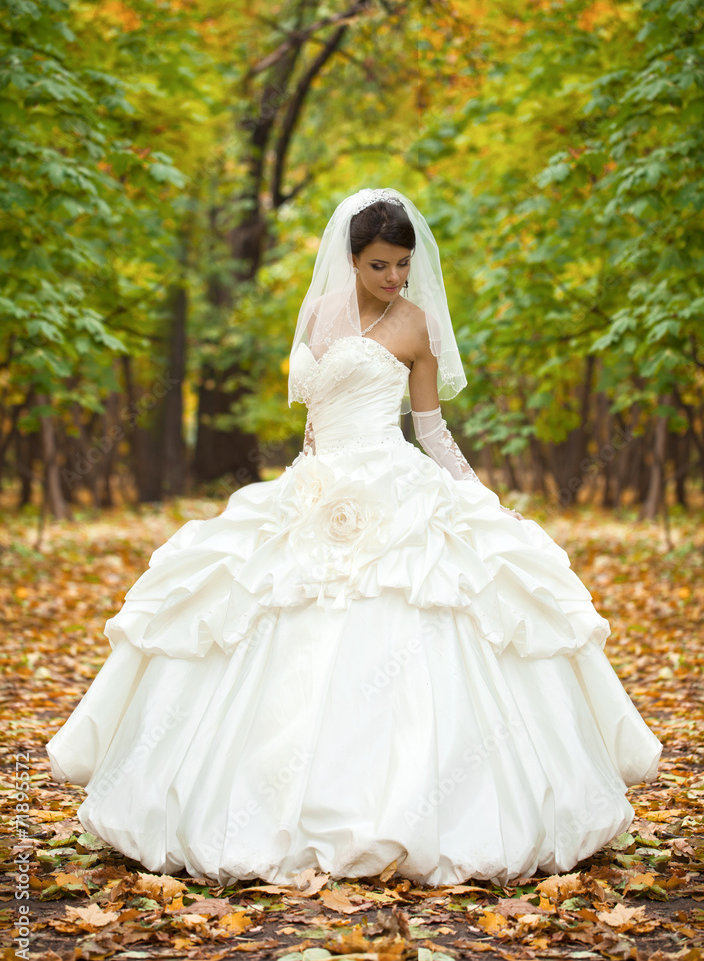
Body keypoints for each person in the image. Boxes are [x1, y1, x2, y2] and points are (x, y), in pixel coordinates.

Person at [46, 187, 661, 887]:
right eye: (379, 265)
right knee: (244, 609)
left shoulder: (417, 326)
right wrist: (301, 487)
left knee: (416, 615)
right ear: (351, 259)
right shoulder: (316, 311)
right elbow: (312, 421)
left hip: (395, 486)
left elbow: (430, 430)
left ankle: (411, 808)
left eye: (403, 264)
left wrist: (479, 497)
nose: (394, 277)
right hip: (316, 483)